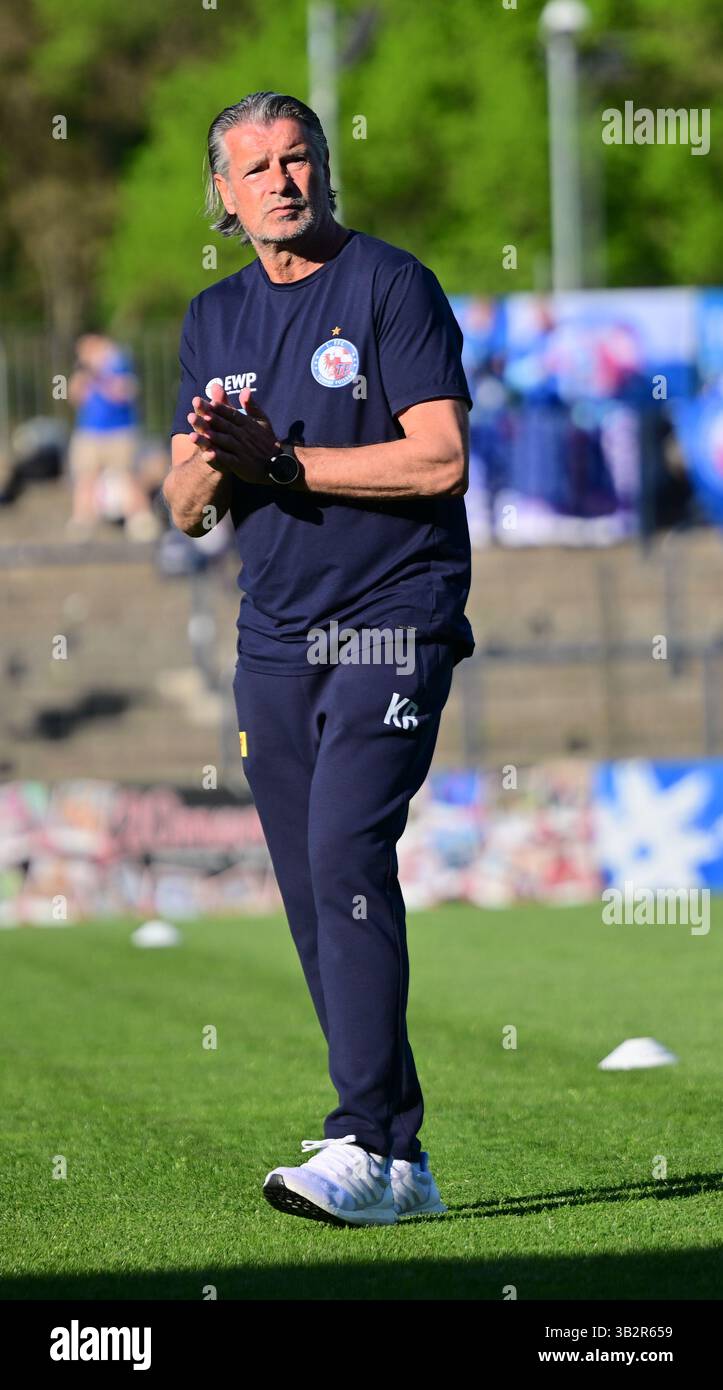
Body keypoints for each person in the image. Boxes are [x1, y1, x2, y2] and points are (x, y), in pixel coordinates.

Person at [164, 90, 475, 1227]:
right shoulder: (213, 318)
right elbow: (185, 504)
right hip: (276, 635)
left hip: (395, 613)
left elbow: (439, 460)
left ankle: (362, 1140)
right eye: (257, 169)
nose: (283, 182)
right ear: (224, 195)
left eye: (300, 160)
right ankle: (402, 1157)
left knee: (348, 848)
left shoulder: (392, 286)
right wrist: (215, 462)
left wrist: (286, 466)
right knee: (313, 891)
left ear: (326, 170)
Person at [67, 333, 158, 540]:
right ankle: (83, 521)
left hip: (120, 431)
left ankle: (139, 519)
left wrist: (97, 374)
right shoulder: (83, 369)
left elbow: (122, 392)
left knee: (128, 476)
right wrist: (82, 375)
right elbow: (73, 396)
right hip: (89, 432)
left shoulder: (119, 360)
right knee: (85, 477)